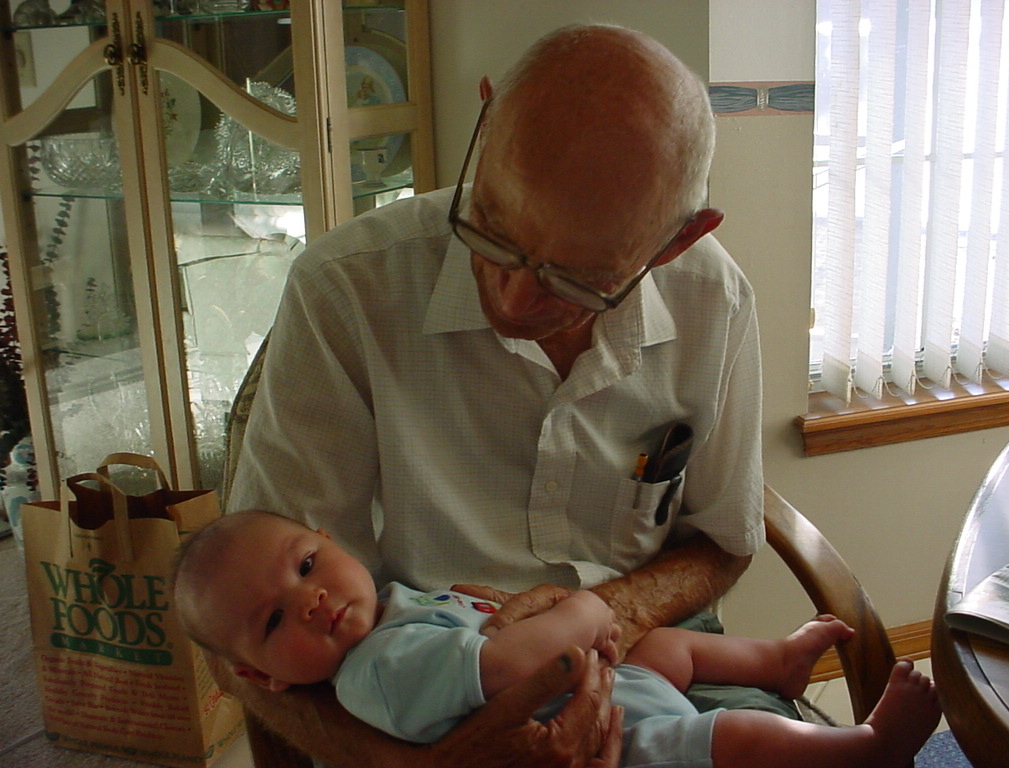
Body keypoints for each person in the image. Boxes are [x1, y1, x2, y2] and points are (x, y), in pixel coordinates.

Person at [227, 22, 769, 766]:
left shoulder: (714, 299)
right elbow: (242, 631)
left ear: (678, 241)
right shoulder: (346, 291)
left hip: (653, 654)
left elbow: (724, 540)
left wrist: (601, 616)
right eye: (491, 231)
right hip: (417, 682)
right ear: (485, 124)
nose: (511, 301)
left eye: (577, 281)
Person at [175, 511, 942, 768]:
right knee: (736, 738)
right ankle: (868, 749)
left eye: (308, 565)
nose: (310, 600)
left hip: (612, 683)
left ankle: (775, 661)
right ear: (262, 676)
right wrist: (586, 609)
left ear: (329, 535)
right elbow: (514, 662)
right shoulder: (374, 671)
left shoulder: (396, 604)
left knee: (668, 650)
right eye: (274, 621)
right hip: (618, 741)